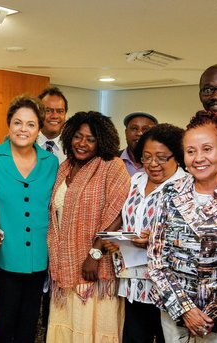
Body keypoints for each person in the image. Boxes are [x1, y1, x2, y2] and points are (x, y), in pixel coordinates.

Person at [148, 111, 217, 342]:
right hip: (174, 311)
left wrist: (211, 314)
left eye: (207, 149)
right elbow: (157, 260)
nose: (199, 158)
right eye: (191, 151)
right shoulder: (168, 193)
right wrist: (186, 309)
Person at [0, 95, 59, 343]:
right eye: (18, 123)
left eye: (31, 124)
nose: (24, 129)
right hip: (4, 257)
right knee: (2, 325)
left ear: (39, 129)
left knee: (30, 324)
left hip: (39, 258)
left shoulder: (51, 162)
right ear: (8, 125)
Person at [46, 111, 131, 342]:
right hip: (64, 264)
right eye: (77, 136)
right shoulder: (65, 167)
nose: (82, 144)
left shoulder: (111, 166)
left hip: (95, 267)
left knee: (90, 331)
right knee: (66, 327)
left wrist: (94, 252)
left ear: (101, 141)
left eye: (90, 139)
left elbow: (118, 211)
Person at [104, 124, 186, 343]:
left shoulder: (185, 187)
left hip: (168, 286)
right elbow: (124, 217)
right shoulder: (135, 181)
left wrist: (155, 240)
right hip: (134, 282)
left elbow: (192, 237)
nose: (153, 164)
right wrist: (118, 239)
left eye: (161, 158)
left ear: (176, 156)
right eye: (147, 157)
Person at [120, 111, 158, 176]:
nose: (139, 133)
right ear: (126, 133)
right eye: (134, 128)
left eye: (146, 129)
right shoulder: (111, 159)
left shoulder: (161, 163)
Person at [37, 87, 68, 163]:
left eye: (60, 111)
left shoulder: (73, 148)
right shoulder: (26, 144)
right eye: (48, 111)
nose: (54, 116)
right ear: (38, 113)